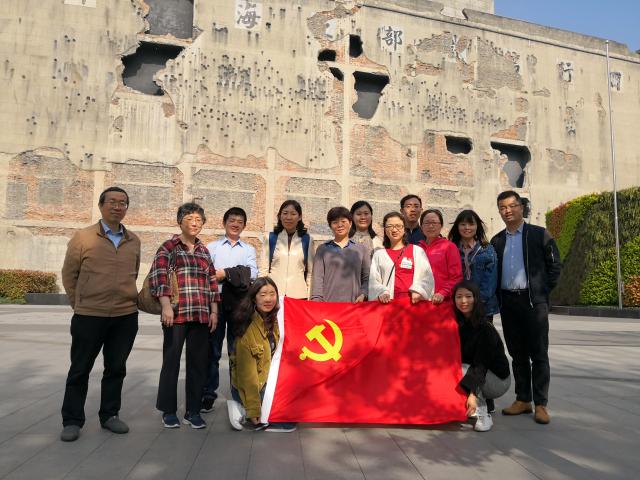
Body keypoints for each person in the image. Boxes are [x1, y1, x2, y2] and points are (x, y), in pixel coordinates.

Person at [60, 187, 141, 442]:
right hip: (89, 315)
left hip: (125, 316)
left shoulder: (133, 240)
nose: (117, 206)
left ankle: (110, 415)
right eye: (112, 202)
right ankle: (72, 420)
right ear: (101, 205)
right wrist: (80, 304)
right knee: (80, 369)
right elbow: (69, 275)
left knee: (116, 368)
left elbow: (133, 272)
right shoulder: (83, 237)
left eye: (123, 203)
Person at [491, 190, 561, 425]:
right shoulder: (497, 240)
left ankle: (541, 404)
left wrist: (542, 292)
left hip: (533, 302)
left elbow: (555, 266)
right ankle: (523, 399)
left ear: (521, 207)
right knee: (517, 353)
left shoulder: (539, 234)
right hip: (508, 302)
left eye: (512, 206)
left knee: (538, 353)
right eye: (503, 207)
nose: (507, 211)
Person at [150, 203, 220, 430]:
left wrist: (214, 311)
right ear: (180, 221)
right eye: (190, 218)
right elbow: (159, 277)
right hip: (176, 314)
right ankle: (169, 411)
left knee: (198, 364)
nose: (194, 223)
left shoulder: (203, 251)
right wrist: (165, 307)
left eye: (198, 220)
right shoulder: (169, 247)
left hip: (200, 315)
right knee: (171, 362)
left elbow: (212, 282)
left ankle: (193, 411)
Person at [201, 207, 258, 414]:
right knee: (212, 350)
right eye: (232, 220)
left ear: (244, 225)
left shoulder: (248, 249)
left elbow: (252, 274)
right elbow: (207, 274)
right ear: (224, 223)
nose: (235, 224)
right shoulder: (212, 247)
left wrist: (225, 273)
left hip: (239, 304)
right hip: (215, 302)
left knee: (237, 351)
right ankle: (208, 393)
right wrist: (237, 274)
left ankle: (238, 393)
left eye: (240, 221)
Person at [228, 277, 296, 433]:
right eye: (263, 294)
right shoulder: (248, 330)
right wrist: (253, 409)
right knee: (288, 423)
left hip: (269, 379)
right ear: (254, 298)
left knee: (296, 407)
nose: (268, 299)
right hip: (252, 386)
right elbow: (247, 376)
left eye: (272, 294)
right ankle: (242, 409)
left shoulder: (276, 320)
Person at [453, 281, 511, 432]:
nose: (463, 301)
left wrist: (473, 395)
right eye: (459, 297)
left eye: (468, 296)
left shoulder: (484, 328)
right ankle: (481, 402)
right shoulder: (459, 324)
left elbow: (481, 365)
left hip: (498, 380)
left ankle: (483, 413)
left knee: (461, 369)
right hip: (480, 373)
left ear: (476, 298)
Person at [369, 211, 434, 303]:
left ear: (404, 229)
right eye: (389, 226)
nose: (394, 230)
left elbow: (428, 277)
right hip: (389, 303)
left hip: (412, 303)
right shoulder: (379, 254)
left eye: (398, 226)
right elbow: (374, 281)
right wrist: (381, 292)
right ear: (385, 230)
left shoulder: (417, 251)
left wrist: (419, 290)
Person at [311, 206, 370, 302]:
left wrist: (364, 294)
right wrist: (316, 299)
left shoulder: (361, 249)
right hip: (328, 304)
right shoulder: (323, 249)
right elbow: (317, 278)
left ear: (350, 223)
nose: (339, 225)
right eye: (335, 222)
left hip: (354, 304)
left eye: (343, 221)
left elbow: (367, 277)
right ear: (330, 226)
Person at [449, 210, 499, 320]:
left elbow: (490, 282)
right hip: (458, 306)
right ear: (457, 226)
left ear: (477, 226)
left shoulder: (487, 249)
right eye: (463, 224)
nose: (467, 227)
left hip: (482, 307)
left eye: (471, 224)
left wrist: (475, 302)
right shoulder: (451, 248)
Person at [262, 200, 314, 298]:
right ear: (279, 216)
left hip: (298, 296)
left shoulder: (307, 240)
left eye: (293, 214)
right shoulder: (270, 238)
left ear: (299, 217)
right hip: (274, 294)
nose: (289, 217)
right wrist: (262, 293)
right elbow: (263, 269)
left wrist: (309, 296)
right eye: (285, 213)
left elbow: (311, 272)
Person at [418, 209, 463, 305]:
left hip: (441, 301)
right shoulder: (417, 248)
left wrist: (443, 293)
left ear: (441, 225)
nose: (431, 226)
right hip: (419, 301)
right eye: (427, 223)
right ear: (421, 226)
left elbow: (456, 277)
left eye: (434, 222)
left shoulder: (449, 247)